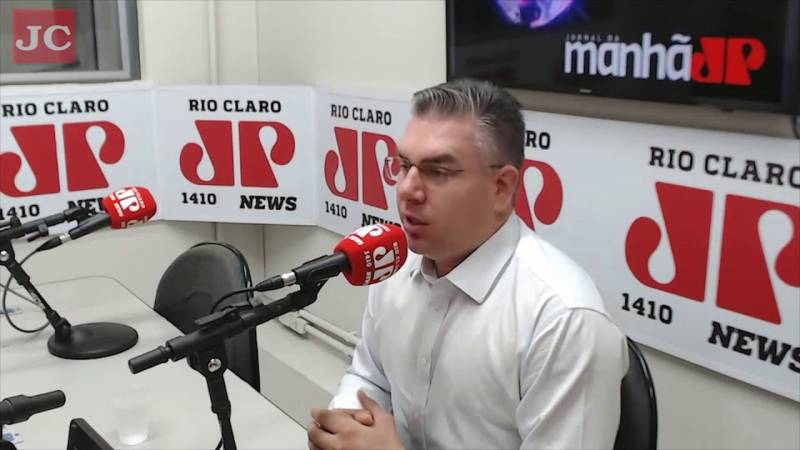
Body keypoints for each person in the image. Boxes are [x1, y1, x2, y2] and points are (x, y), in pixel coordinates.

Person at [308, 79, 629, 450]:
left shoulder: (564, 320)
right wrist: (343, 430)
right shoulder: (395, 264)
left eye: (438, 172)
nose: (408, 189)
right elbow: (370, 376)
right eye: (404, 165)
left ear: (501, 188)